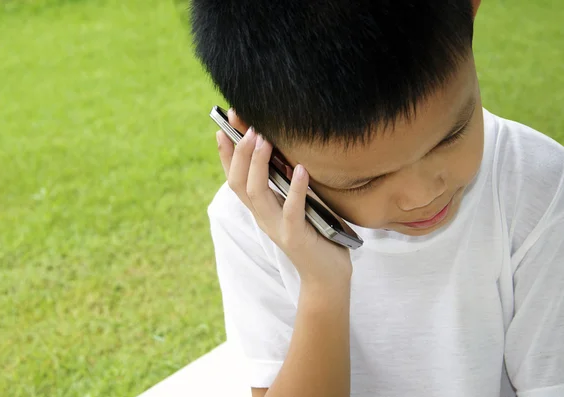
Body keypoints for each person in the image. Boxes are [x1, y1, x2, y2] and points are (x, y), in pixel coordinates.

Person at [190, 1, 564, 396]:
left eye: (451, 136)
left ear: (469, 11)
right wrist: (322, 287)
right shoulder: (250, 223)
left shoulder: (535, 186)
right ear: (261, 142)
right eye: (362, 182)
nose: (423, 196)